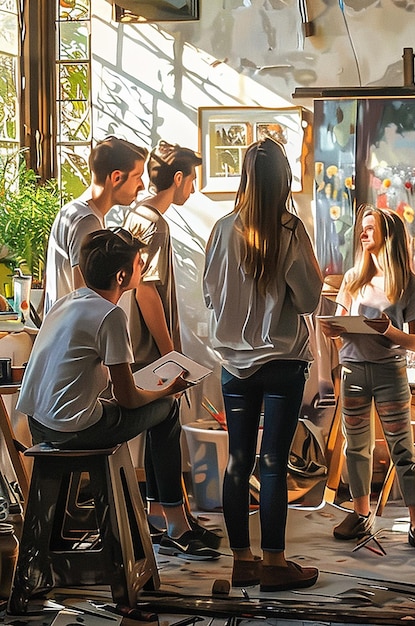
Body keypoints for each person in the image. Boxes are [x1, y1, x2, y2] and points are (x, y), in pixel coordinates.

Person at [18, 228, 220, 560]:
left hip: (39, 424)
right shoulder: (111, 314)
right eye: (141, 263)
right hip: (72, 431)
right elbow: (127, 399)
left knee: (152, 405)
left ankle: (163, 515)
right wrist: (167, 389)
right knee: (168, 409)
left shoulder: (68, 301)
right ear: (123, 275)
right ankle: (177, 525)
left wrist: (141, 391)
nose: (144, 269)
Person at [203, 137, 323, 592]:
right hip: (282, 363)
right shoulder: (291, 231)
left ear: (245, 178)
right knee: (272, 462)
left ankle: (241, 561)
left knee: (237, 460)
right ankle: (274, 563)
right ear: (284, 179)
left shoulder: (222, 228)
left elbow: (212, 295)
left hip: (235, 366)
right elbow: (310, 299)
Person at [319, 205, 415, 552]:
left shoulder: (408, 284)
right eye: (362, 228)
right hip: (353, 370)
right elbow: (339, 328)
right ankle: (360, 514)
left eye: (370, 227)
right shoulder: (353, 279)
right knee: (356, 446)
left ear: (389, 234)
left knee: (403, 447)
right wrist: (332, 329)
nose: (363, 232)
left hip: (390, 372)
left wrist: (389, 331)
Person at [119, 141, 220, 547]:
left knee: (161, 426)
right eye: (192, 179)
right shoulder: (154, 223)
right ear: (177, 178)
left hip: (136, 343)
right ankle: (177, 525)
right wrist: (170, 352)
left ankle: (161, 516)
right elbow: (147, 292)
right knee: (166, 425)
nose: (193, 189)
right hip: (146, 346)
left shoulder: (137, 213)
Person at [44, 136, 148, 314]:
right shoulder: (87, 221)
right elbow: (85, 295)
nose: (142, 185)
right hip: (77, 336)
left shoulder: (73, 211)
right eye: (137, 177)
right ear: (116, 177)